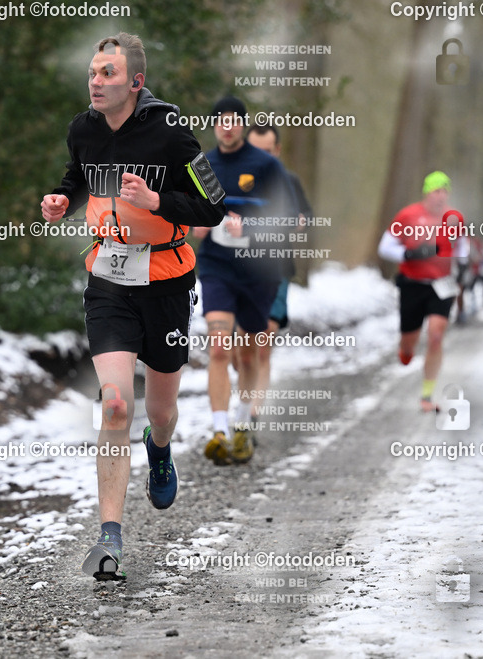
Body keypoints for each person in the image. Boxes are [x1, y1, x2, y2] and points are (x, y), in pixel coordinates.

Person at [42, 32, 225, 580]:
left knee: (161, 412)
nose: (96, 82)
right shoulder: (83, 129)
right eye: (93, 72)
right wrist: (61, 199)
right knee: (116, 405)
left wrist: (158, 201)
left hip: (166, 280)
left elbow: (213, 206)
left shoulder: (170, 132)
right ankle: (110, 540)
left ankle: (160, 448)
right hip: (109, 279)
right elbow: (79, 179)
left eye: (108, 74)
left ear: (136, 83)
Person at [190, 97, 296, 464]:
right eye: (221, 121)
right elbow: (189, 210)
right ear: (214, 126)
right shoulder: (203, 166)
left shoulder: (265, 165)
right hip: (217, 267)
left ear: (243, 125)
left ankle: (242, 426)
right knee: (219, 348)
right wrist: (196, 223)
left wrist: (248, 228)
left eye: (234, 120)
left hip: (259, 272)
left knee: (248, 353)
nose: (227, 126)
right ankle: (219, 431)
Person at [241, 124, 313, 426]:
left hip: (277, 268)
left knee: (264, 337)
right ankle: (244, 398)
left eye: (267, 151)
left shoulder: (288, 181)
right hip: (238, 268)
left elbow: (306, 217)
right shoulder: (237, 179)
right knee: (241, 346)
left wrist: (297, 223)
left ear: (277, 151)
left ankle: (252, 410)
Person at [377, 171, 467, 412]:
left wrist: (462, 261)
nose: (441, 196)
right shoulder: (408, 215)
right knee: (409, 345)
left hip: (442, 284)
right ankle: (405, 351)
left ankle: (427, 396)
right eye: (437, 190)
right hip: (412, 283)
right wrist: (408, 254)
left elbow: (462, 246)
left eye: (445, 191)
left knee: (436, 336)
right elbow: (385, 246)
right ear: (427, 192)